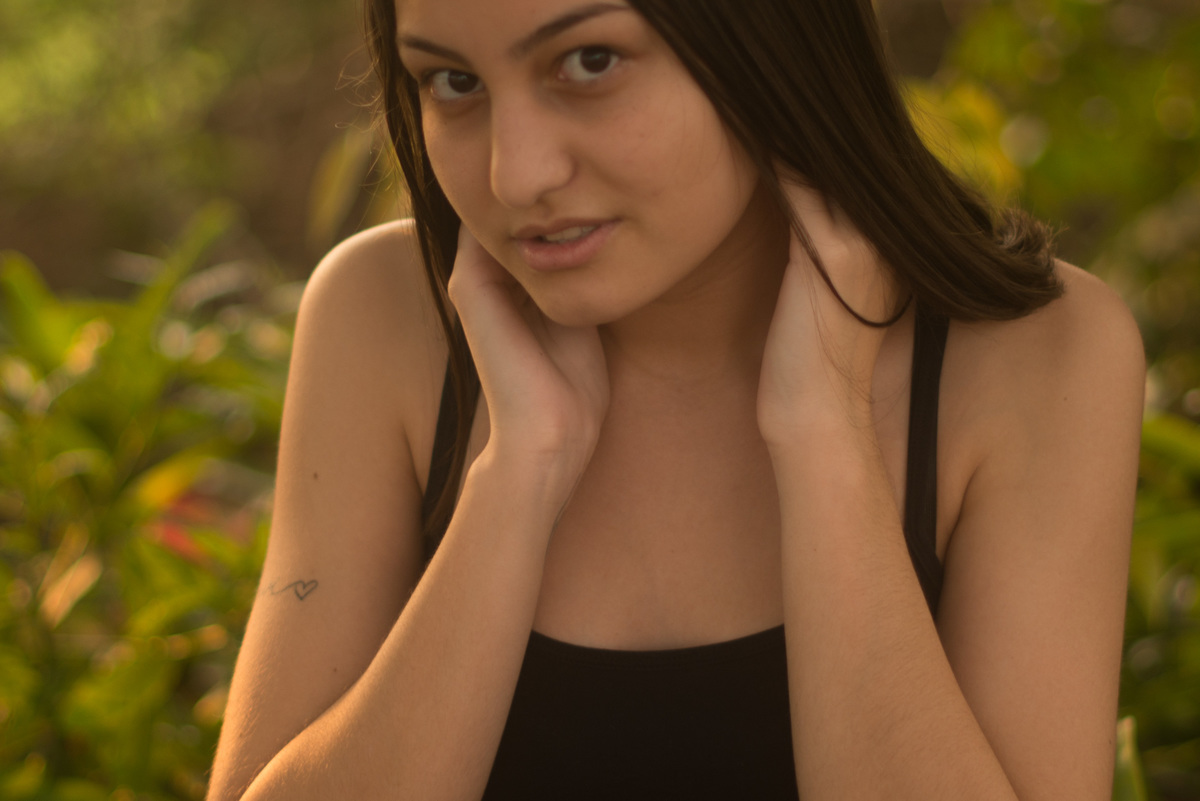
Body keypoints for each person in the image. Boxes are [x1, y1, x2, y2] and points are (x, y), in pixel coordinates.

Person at [206, 0, 1146, 798]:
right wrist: (517, 471)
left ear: (770, 41)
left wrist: (825, 434)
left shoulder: (1035, 358)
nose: (514, 174)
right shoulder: (383, 318)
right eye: (454, 82)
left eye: (590, 61)